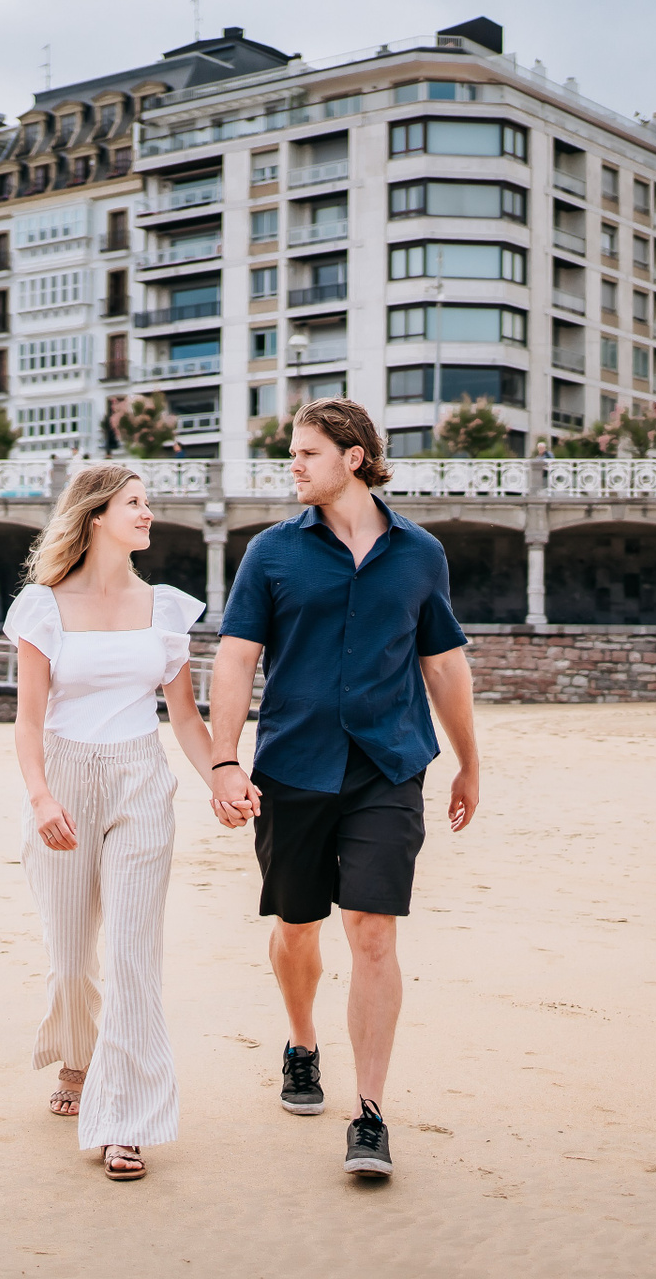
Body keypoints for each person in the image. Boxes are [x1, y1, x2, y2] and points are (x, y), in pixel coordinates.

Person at [208, 397, 480, 1180]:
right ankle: (302, 1042)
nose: (292, 465)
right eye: (292, 453)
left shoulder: (420, 554)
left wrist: (469, 761)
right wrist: (224, 761)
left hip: (388, 766)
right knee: (298, 926)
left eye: (306, 453)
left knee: (373, 931)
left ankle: (370, 1112)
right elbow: (235, 658)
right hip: (292, 768)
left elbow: (443, 665)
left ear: (353, 457)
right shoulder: (271, 553)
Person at [3, 462, 228, 1182]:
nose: (148, 512)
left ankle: (124, 1120)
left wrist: (224, 778)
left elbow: (185, 719)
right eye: (135, 502)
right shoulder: (42, 607)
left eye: (147, 502)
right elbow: (28, 721)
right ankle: (77, 1056)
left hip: (140, 782)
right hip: (64, 782)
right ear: (96, 515)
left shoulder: (166, 609)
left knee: (134, 957)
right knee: (71, 957)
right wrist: (42, 797)